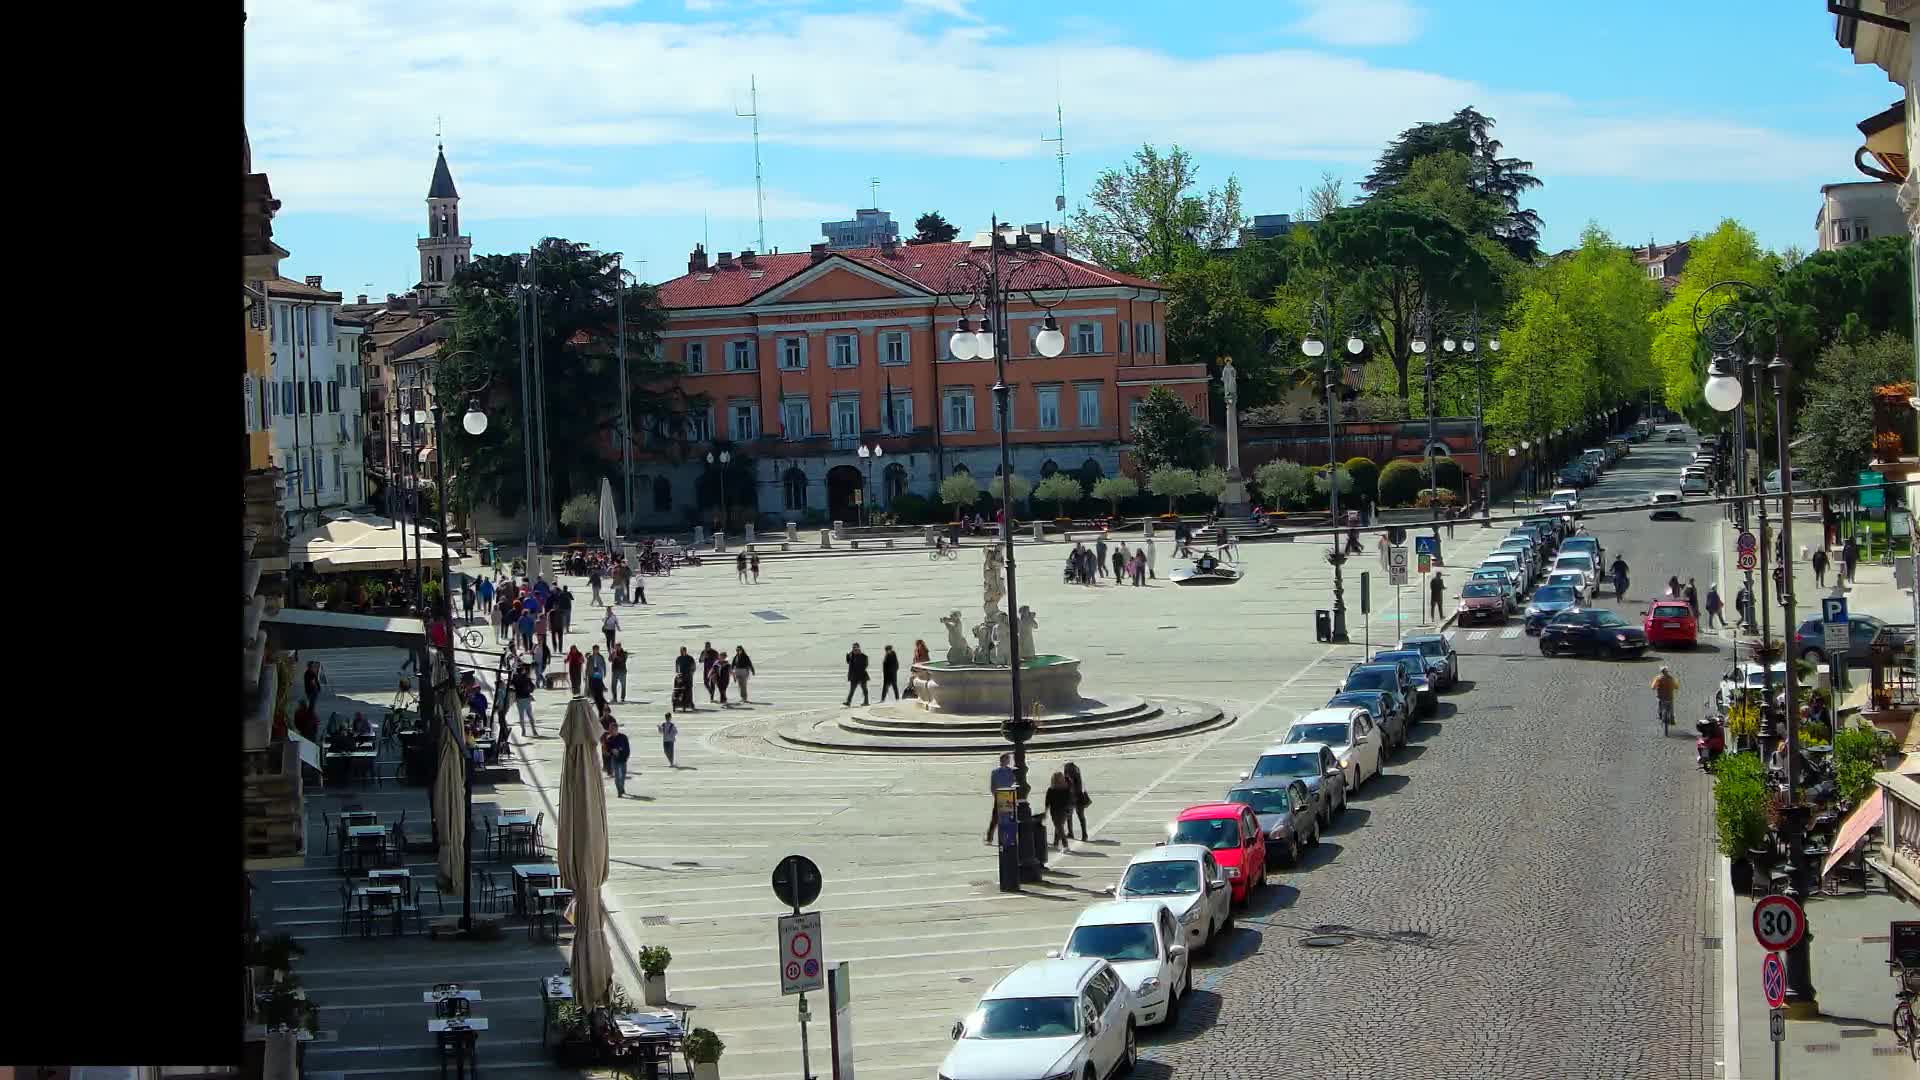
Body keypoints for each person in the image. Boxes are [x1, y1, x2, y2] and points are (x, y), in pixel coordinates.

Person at [985, 753, 1016, 844]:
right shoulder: (1006, 771)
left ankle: (992, 838)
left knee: (1000, 817)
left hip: (1004, 795)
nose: (1009, 761)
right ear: (1004, 760)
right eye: (1008, 759)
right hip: (1004, 795)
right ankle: (995, 837)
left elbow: (993, 786)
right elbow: (993, 785)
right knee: (1000, 817)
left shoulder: (1006, 771)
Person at [1045, 771, 1075, 851]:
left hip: (1058, 810)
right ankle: (1056, 843)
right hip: (1062, 810)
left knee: (1058, 826)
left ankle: (1065, 845)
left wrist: (1046, 810)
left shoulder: (1052, 789)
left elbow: (1047, 801)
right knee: (1058, 826)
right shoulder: (1066, 788)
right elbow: (1070, 800)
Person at [1064, 762, 1090, 841]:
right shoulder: (1077, 772)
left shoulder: (1069, 775)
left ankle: (1071, 833)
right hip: (1080, 797)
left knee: (1069, 815)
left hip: (1072, 797)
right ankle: (1084, 835)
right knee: (1081, 816)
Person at [605, 720, 632, 798]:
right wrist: (612, 751)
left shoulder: (623, 737)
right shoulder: (609, 738)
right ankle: (619, 791)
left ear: (616, 729)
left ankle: (622, 787)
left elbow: (627, 748)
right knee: (617, 776)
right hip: (615, 759)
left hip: (623, 759)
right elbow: (607, 750)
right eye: (609, 729)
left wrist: (625, 756)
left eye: (612, 729)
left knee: (622, 776)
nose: (610, 731)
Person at [511, 664, 537, 737]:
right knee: (530, 715)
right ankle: (534, 730)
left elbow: (510, 684)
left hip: (519, 699)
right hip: (527, 698)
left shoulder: (515, 678)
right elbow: (533, 687)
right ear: (523, 671)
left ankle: (523, 731)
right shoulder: (526, 678)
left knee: (521, 716)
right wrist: (530, 691)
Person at [673, 647, 697, 712]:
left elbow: (694, 666)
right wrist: (678, 673)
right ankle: (679, 701)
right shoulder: (679, 658)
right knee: (679, 688)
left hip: (688, 676)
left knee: (689, 689)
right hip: (681, 675)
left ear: (686, 651)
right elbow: (677, 667)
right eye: (681, 651)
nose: (682, 652)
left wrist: (691, 672)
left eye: (683, 651)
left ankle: (690, 702)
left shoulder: (690, 658)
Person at [586, 645, 609, 710]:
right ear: (593, 650)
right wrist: (587, 673)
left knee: (599, 687)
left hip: (598, 673)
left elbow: (604, 664)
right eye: (595, 649)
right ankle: (594, 698)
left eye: (597, 649)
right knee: (592, 687)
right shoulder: (590, 657)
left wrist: (604, 672)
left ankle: (602, 699)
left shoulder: (601, 657)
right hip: (592, 673)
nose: (596, 651)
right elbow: (588, 665)